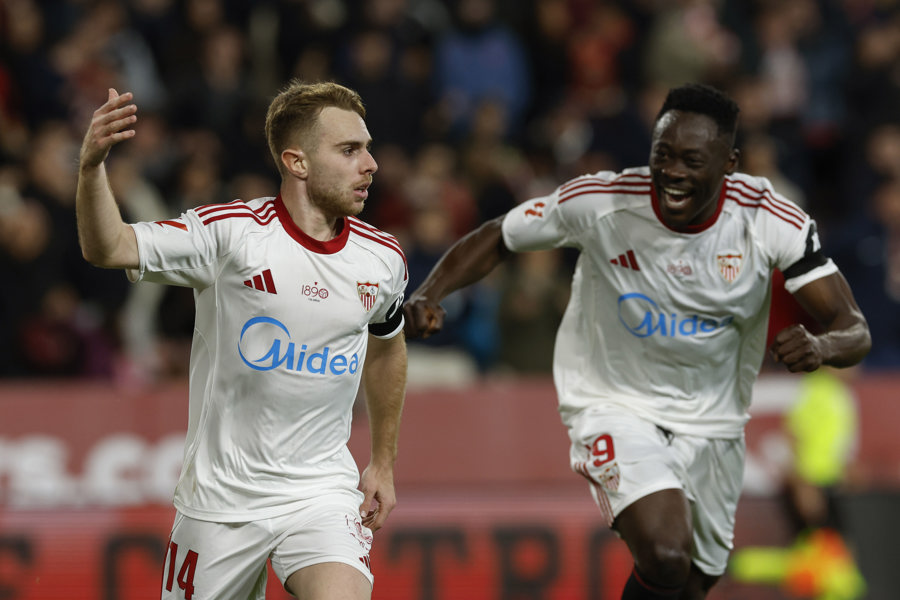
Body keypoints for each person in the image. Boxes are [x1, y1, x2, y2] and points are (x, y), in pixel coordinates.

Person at [403, 83, 871, 600]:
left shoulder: (769, 221)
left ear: (729, 163)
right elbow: (501, 233)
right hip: (613, 401)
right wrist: (429, 292)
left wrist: (823, 347)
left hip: (714, 421)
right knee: (666, 552)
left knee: (692, 580)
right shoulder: (603, 201)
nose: (671, 172)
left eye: (692, 160)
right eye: (662, 155)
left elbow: (854, 328)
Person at [76, 80, 408, 599]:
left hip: (320, 493)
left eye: (366, 148)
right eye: (349, 150)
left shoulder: (382, 259)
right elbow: (109, 246)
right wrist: (92, 167)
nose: (371, 164)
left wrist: (383, 462)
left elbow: (388, 345)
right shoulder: (231, 235)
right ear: (296, 163)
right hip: (220, 503)